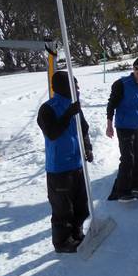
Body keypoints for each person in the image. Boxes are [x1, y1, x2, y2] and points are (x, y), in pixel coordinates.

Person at [37, 71, 93, 253]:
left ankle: (77, 233)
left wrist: (87, 147)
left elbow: (83, 129)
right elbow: (52, 133)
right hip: (59, 168)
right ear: (64, 86)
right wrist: (68, 114)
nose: (78, 88)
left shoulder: (74, 104)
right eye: (74, 85)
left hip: (77, 164)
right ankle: (62, 242)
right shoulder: (47, 109)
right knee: (63, 209)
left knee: (80, 205)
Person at [106, 57, 138, 201]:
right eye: (136, 68)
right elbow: (111, 104)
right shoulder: (121, 84)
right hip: (123, 126)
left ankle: (136, 181)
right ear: (133, 68)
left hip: (137, 126)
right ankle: (123, 190)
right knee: (128, 158)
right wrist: (109, 124)